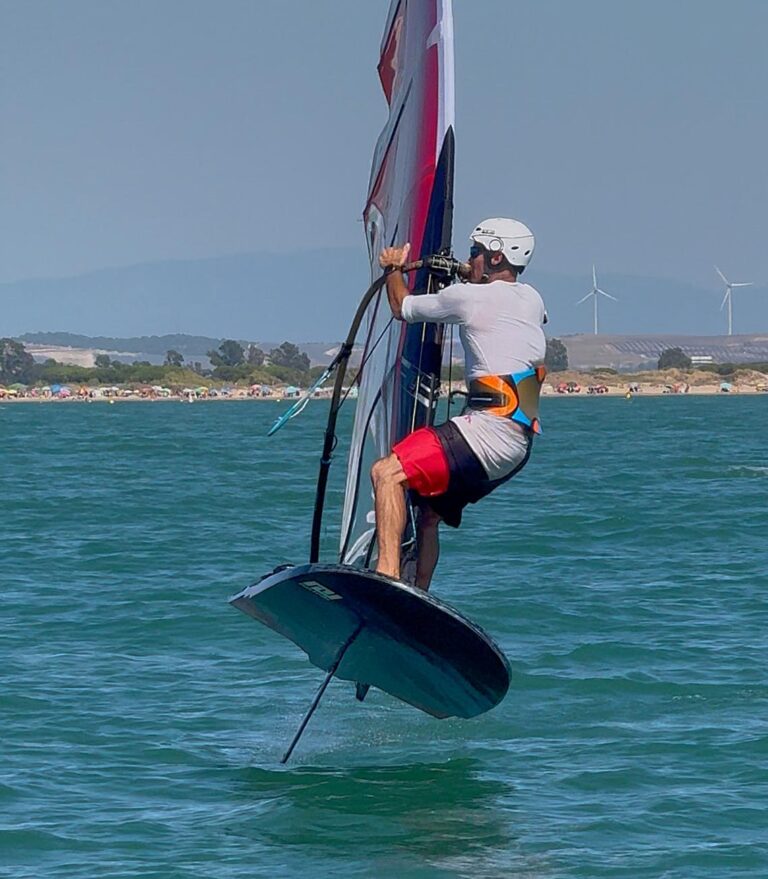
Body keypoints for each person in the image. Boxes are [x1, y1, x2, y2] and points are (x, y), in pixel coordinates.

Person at [371, 217, 548, 590]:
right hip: (517, 446)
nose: (471, 259)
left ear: (495, 256)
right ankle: (418, 593)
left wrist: (393, 268)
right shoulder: (532, 299)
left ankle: (386, 581)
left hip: (487, 433)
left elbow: (401, 306)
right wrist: (467, 272)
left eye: (475, 252)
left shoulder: (469, 297)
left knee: (387, 473)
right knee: (429, 512)